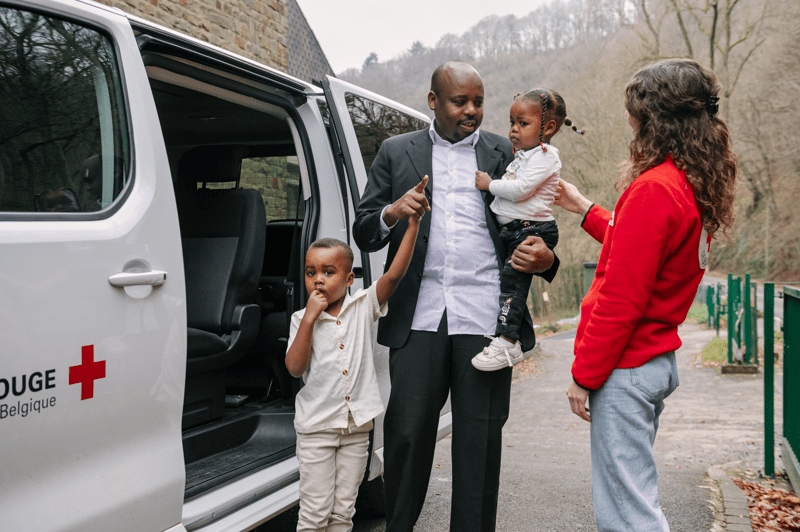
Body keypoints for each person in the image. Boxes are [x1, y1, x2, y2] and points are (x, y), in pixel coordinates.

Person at [353, 60, 558, 532]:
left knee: (479, 444)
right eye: (460, 101)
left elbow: (538, 223)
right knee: (406, 436)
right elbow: (364, 232)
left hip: (487, 319)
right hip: (418, 318)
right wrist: (392, 211)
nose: (472, 111)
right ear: (433, 102)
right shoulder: (395, 151)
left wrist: (546, 258)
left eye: (479, 102)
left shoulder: (506, 153)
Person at [555, 58, 737, 531]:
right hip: (653, 364)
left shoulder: (653, 189)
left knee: (628, 515)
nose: (630, 122)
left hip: (625, 369)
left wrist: (584, 375)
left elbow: (621, 296)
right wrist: (583, 207)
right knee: (633, 499)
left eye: (634, 113)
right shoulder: (689, 184)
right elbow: (639, 250)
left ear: (653, 120)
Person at [285, 184, 423, 532]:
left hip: (357, 428)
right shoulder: (301, 320)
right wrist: (311, 319)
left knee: (343, 513)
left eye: (328, 273)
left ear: (348, 279)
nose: (318, 280)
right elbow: (294, 367)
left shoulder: (362, 307)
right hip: (317, 430)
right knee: (315, 513)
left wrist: (413, 226)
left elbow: (394, 275)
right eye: (310, 272)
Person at [472, 88, 583, 371]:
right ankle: (507, 337)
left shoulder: (545, 156)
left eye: (522, 123)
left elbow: (521, 190)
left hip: (530, 230)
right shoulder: (527, 154)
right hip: (515, 229)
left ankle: (508, 342)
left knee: (512, 284)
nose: (513, 130)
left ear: (547, 128)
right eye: (511, 122)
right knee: (510, 284)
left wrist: (489, 184)